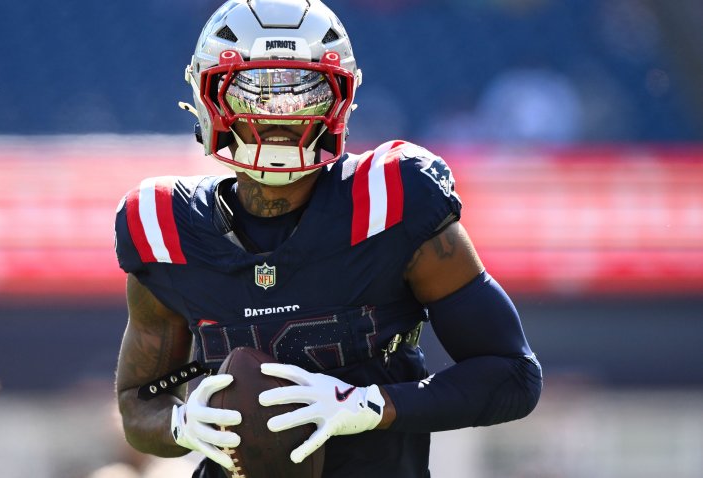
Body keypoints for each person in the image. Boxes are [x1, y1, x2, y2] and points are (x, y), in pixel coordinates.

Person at [113, 1, 542, 477]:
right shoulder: (164, 225)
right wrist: (182, 424)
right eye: (252, 91)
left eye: (302, 92)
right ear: (206, 92)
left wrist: (371, 406)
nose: (277, 112)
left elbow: (512, 374)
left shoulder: (392, 199)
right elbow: (140, 401)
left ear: (341, 96)